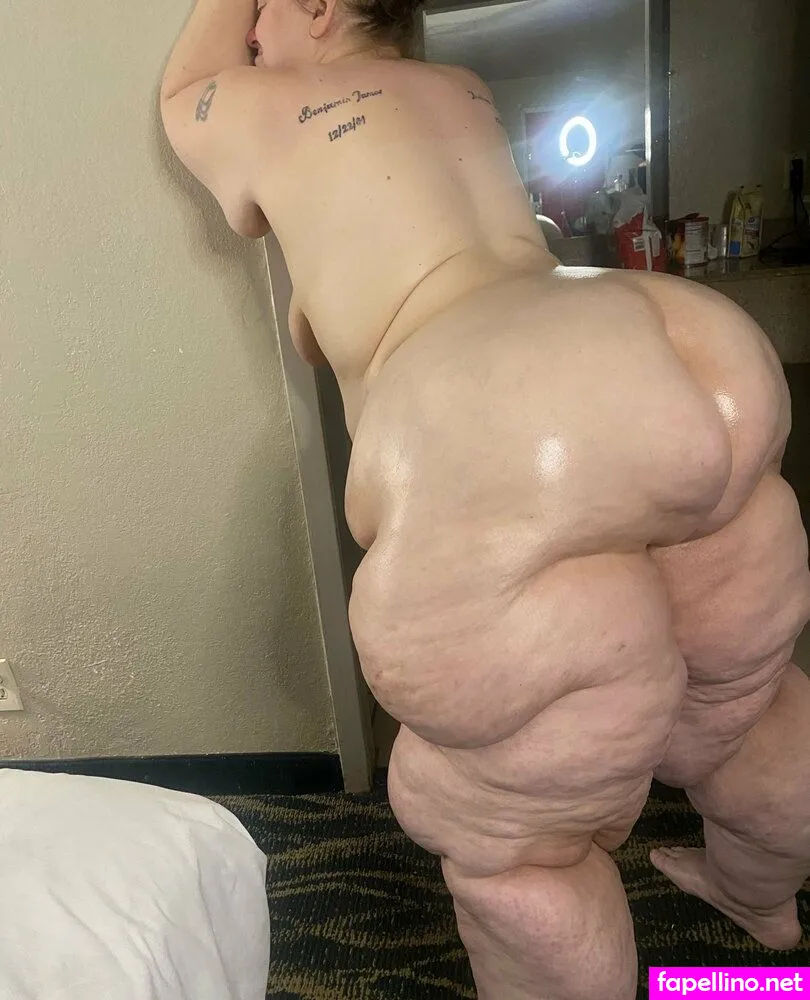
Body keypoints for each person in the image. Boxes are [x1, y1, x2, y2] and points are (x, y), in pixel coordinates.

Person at [162, 0, 810, 996]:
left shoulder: (268, 104)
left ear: (319, 6)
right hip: (680, 340)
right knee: (749, 703)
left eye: (260, 14)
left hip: (499, 413)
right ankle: (762, 904)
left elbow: (182, 94)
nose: (247, 37)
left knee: (518, 848)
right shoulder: (459, 89)